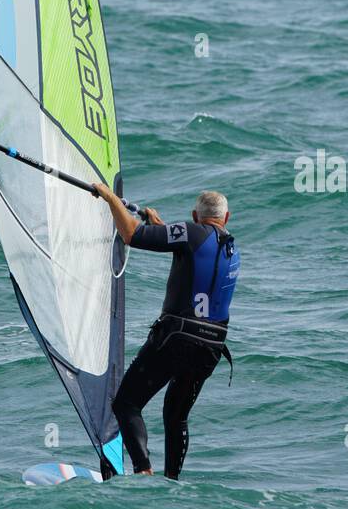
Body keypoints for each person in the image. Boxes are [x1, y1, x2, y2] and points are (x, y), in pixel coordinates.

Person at [92, 183, 240, 480]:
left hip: (176, 340)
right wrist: (160, 227)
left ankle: (144, 470)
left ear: (195, 216)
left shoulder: (190, 231)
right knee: (176, 417)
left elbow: (131, 234)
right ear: (226, 218)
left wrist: (109, 198)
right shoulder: (231, 248)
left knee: (127, 404)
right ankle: (172, 481)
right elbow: (192, 251)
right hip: (211, 348)